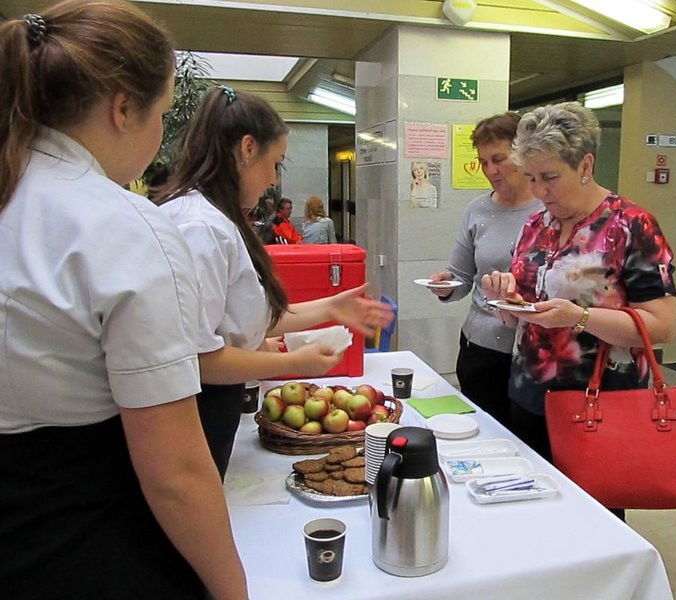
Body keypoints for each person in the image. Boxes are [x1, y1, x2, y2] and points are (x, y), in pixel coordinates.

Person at [0, 2, 246, 599]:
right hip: (79, 538)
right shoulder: (120, 223)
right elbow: (176, 475)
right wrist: (233, 591)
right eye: (163, 113)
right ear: (125, 108)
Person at [154, 87, 393, 478]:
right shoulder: (201, 227)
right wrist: (292, 362)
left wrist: (331, 307)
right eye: (276, 163)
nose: (271, 180)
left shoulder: (213, 216)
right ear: (247, 149)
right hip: (198, 409)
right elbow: (198, 357)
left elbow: (241, 318)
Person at [481, 102, 676, 517]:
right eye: (532, 178)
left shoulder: (631, 225)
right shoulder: (538, 224)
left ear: (585, 164)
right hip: (530, 396)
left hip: (599, 406)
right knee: (534, 515)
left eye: (550, 177)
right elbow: (521, 314)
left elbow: (662, 326)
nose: (539, 191)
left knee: (592, 521)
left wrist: (579, 317)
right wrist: (509, 300)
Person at [426, 112, 541, 428]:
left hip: (533, 355)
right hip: (480, 350)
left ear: (524, 153)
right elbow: (462, 274)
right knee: (481, 435)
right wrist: (447, 284)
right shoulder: (478, 209)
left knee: (527, 444)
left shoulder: (550, 209)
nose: (490, 170)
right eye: (483, 162)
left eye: (499, 159)